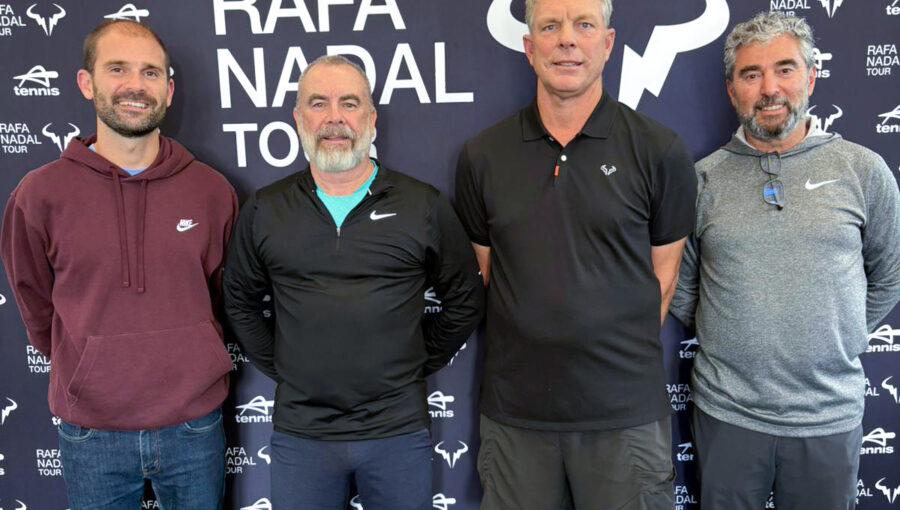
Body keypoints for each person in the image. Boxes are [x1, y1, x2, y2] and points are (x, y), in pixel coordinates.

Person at [453, 0, 697, 507]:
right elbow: (488, 274)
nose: (567, 38)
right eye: (550, 26)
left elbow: (663, 279)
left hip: (624, 416)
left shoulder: (659, 150)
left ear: (607, 44)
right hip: (516, 417)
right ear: (529, 47)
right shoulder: (482, 156)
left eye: (584, 24)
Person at [222, 55, 484, 510]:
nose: (334, 118)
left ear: (371, 118)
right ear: (298, 118)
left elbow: (464, 299)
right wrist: (289, 365)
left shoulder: (421, 205)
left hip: (397, 431)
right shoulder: (266, 208)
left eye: (349, 103)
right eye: (318, 103)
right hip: (302, 434)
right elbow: (239, 302)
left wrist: (412, 359)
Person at [0, 20, 237, 509]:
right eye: (117, 69)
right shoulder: (39, 194)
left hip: (194, 424)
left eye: (150, 73)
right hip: (92, 431)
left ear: (168, 90)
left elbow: (225, 293)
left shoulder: (212, 191)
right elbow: (34, 301)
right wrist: (90, 365)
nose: (135, 85)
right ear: (86, 83)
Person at [669, 11, 900, 510]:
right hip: (728, 415)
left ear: (811, 77)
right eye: (751, 74)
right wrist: (734, 328)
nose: (769, 88)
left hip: (828, 417)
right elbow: (682, 288)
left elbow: (890, 276)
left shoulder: (864, 171)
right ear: (732, 90)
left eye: (785, 69)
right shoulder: (701, 181)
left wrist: (839, 332)